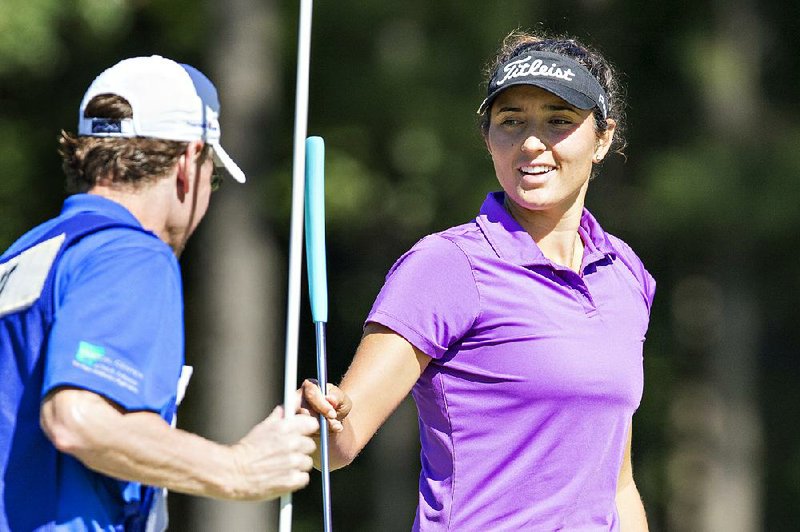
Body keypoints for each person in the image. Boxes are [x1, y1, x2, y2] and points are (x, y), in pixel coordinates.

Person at [303, 30, 655, 531]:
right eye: (511, 122)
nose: (532, 143)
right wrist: (322, 421)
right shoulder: (446, 265)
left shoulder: (625, 274)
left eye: (559, 121)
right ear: (488, 138)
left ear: (603, 138)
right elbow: (340, 442)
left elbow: (616, 484)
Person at [0, 55, 319, 531]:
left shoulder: (27, 253)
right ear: (189, 162)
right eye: (212, 177)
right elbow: (77, 418)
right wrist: (238, 468)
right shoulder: (131, 254)